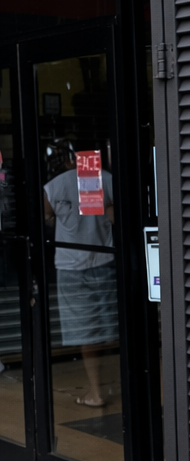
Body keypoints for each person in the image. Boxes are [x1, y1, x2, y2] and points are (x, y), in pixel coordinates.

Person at [43, 142, 117, 409]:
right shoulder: (106, 179)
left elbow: (46, 216)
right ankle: (115, 383)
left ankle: (96, 391)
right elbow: (117, 217)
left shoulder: (54, 186)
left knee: (87, 333)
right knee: (112, 328)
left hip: (71, 267)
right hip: (105, 260)